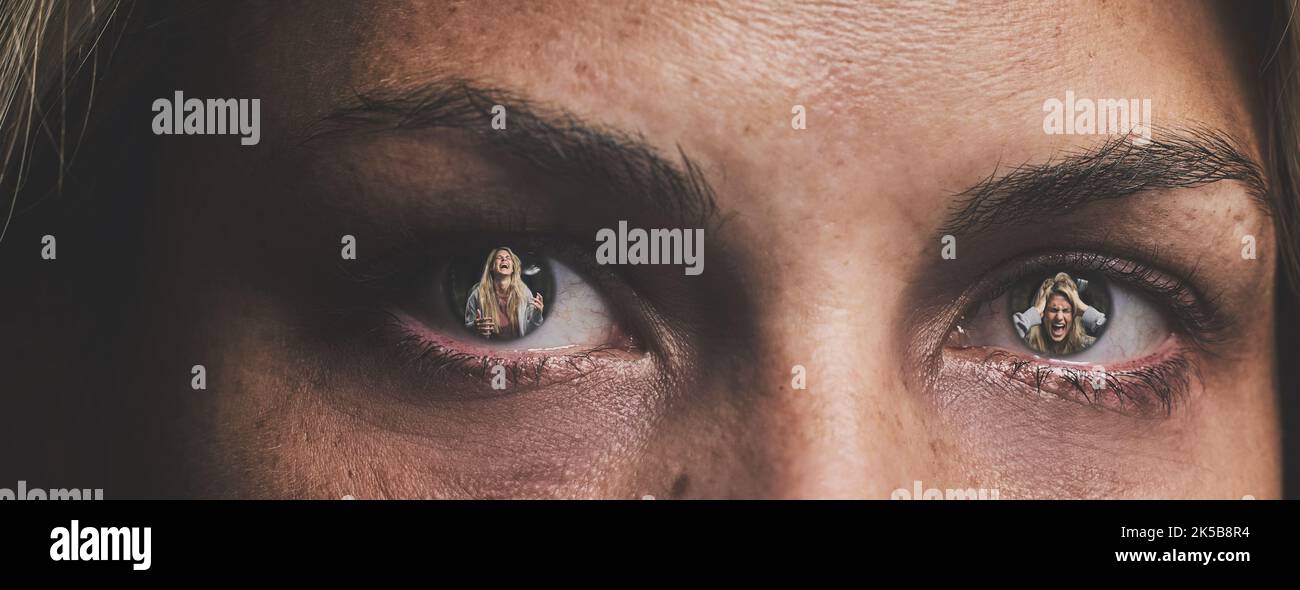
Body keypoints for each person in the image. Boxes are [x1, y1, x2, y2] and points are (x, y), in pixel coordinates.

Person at [1013, 273, 1106, 355]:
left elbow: (1118, 340)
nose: (1059, 317)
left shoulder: (1088, 345)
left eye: (1066, 310)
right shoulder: (1024, 344)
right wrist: (1036, 310)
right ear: (1043, 313)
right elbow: (1001, 336)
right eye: (1053, 310)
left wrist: (1084, 309)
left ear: (1074, 313)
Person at [464, 247, 544, 339]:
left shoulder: (524, 293)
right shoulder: (477, 294)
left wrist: (537, 315)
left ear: (513, 268)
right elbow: (466, 329)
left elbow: (530, 332)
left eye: (508, 258)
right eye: (499, 257)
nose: (504, 259)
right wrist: (474, 327)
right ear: (491, 267)